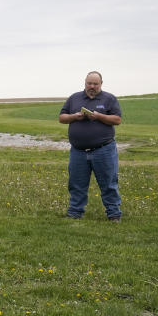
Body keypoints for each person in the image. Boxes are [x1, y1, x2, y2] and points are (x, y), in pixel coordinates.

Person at [58, 71, 122, 221]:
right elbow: (62, 117)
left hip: (104, 150)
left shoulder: (109, 99)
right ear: (85, 83)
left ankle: (114, 214)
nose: (92, 86)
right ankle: (75, 213)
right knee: (76, 184)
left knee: (109, 183)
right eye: (89, 83)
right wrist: (74, 116)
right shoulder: (74, 98)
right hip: (78, 151)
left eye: (95, 84)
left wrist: (98, 116)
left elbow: (117, 120)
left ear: (101, 84)